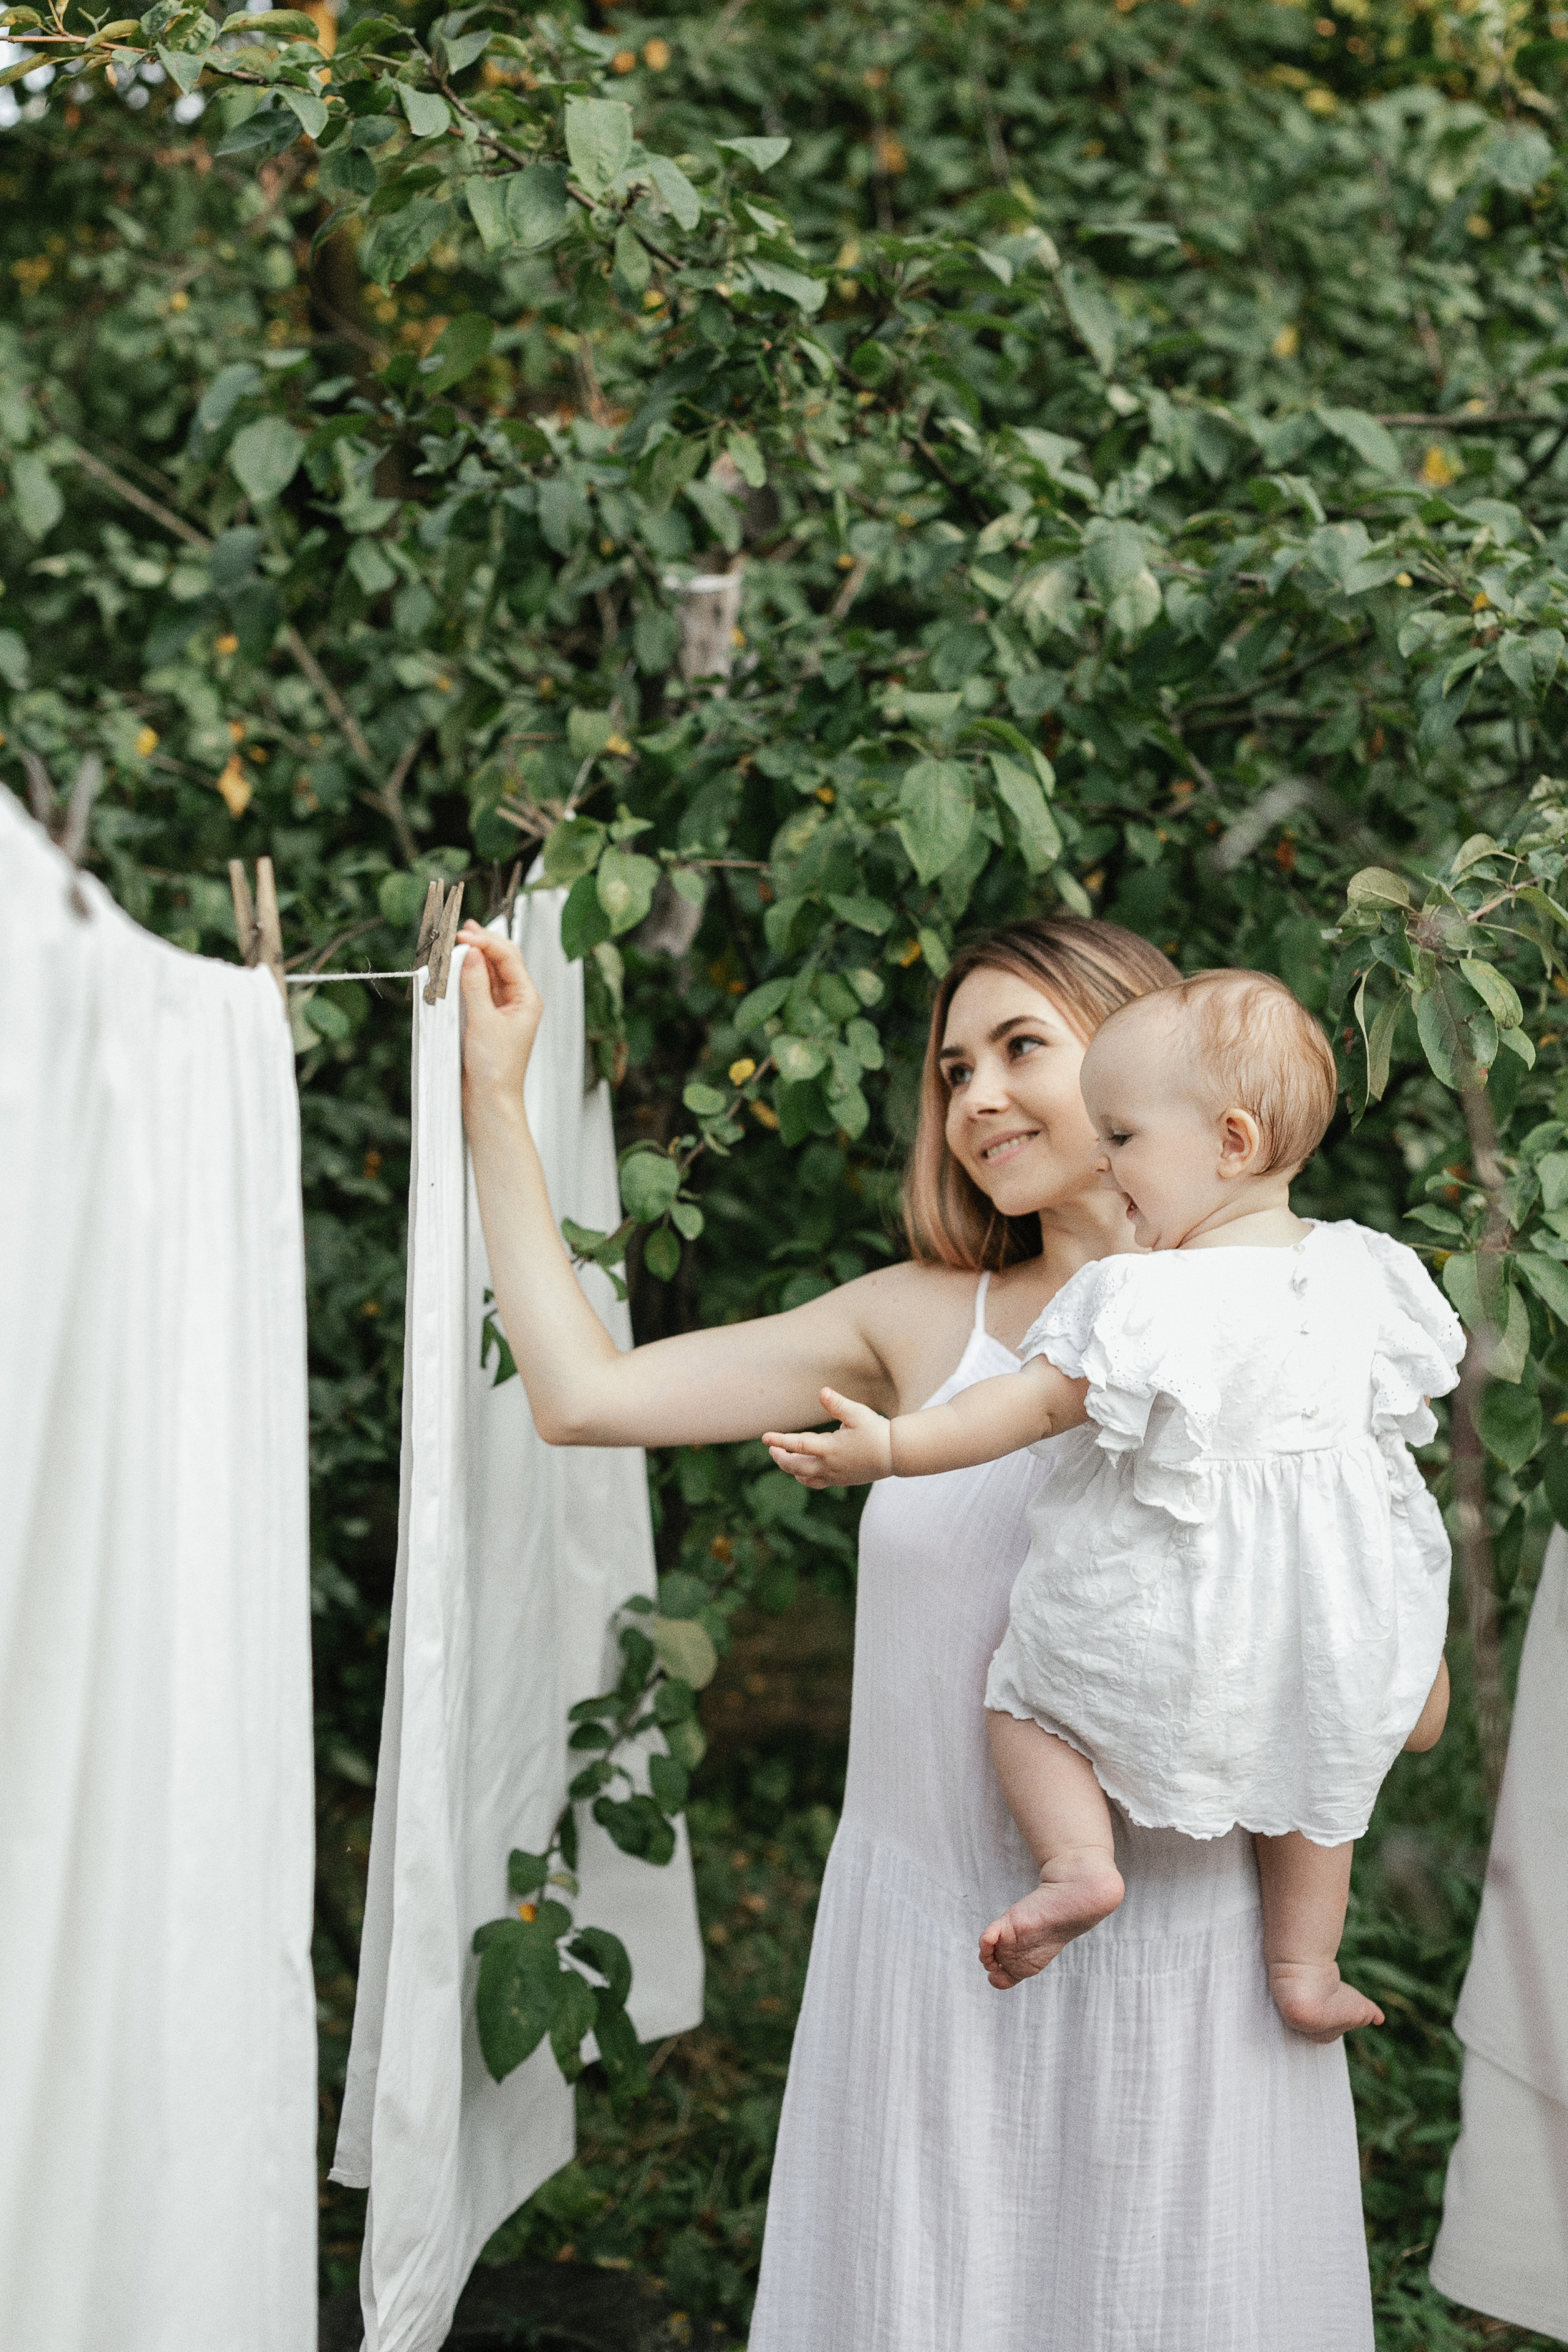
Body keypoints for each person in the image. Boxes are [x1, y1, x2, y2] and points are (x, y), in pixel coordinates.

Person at [457, 913, 1379, 2352]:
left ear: (1161, 1064)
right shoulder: (920, 1328)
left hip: (1191, 1984)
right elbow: (579, 1395)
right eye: (953, 1069)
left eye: (1022, 1048)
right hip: (934, 1974)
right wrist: (492, 1097)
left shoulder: (1286, 1328)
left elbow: (1408, 1696)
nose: (975, 1100)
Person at [764, 970, 1460, 2043]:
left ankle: (1080, 1864)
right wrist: (1399, 1626)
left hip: (1164, 1620)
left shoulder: (1142, 1295)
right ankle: (1305, 1966)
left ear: (1229, 1142)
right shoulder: (1370, 1272)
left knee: (1025, 1706)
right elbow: (1385, 1457)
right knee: (1323, 1772)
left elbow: (1029, 1407)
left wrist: (896, 1446)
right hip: (1316, 1625)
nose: (1104, 1161)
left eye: (1124, 1136)